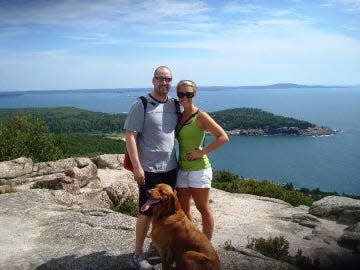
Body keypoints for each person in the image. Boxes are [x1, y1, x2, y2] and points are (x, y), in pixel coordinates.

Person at [124, 66, 179, 270]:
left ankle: (157, 246)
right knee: (146, 212)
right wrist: (137, 167)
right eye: (160, 79)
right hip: (149, 169)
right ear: (153, 80)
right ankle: (137, 255)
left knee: (165, 211)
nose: (164, 83)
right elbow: (130, 135)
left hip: (171, 168)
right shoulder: (142, 103)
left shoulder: (174, 105)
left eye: (168, 79)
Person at [175, 79, 229, 240]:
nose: (184, 97)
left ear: (194, 95)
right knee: (183, 209)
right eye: (181, 94)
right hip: (182, 169)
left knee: (202, 208)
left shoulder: (201, 116)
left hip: (199, 169)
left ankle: (206, 246)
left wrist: (202, 152)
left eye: (189, 94)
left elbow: (223, 137)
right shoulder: (178, 116)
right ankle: (192, 239)